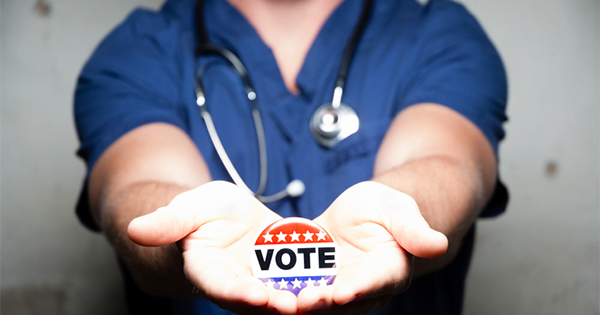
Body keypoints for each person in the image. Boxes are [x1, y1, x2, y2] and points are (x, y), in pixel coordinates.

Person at [74, 0, 508, 314]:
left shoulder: (438, 36)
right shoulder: (137, 51)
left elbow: (447, 161)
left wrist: (401, 213)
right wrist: (184, 233)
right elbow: (136, 184)